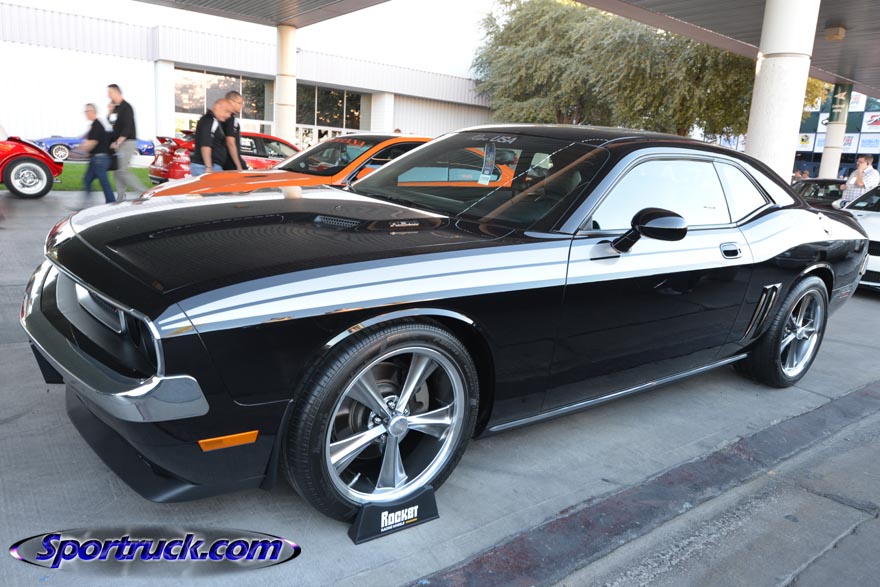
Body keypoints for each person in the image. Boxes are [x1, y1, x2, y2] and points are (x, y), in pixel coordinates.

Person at [107, 84, 147, 200]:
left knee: (122, 170)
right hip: (119, 144)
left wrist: (118, 142)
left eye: (110, 93)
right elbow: (112, 123)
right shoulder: (116, 108)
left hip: (127, 142)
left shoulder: (127, 107)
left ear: (116, 93)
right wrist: (109, 112)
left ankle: (144, 193)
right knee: (117, 171)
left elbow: (127, 128)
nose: (108, 95)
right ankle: (120, 197)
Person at [78, 103, 115, 204]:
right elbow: (92, 142)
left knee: (104, 182)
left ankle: (111, 203)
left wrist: (81, 151)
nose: (85, 113)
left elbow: (92, 142)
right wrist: (85, 150)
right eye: (85, 111)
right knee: (87, 180)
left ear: (92, 112)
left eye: (87, 111)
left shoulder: (96, 124)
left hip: (100, 160)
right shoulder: (96, 124)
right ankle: (86, 203)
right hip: (96, 159)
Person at [190, 98, 232, 176]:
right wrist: (208, 167)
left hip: (207, 166)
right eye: (227, 111)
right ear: (218, 107)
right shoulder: (210, 121)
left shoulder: (211, 121)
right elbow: (206, 144)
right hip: (206, 167)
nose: (228, 116)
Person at [222, 90, 247, 171]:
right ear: (230, 102)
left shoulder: (220, 118)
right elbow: (230, 142)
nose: (241, 106)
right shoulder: (231, 120)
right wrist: (238, 165)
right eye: (239, 103)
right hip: (230, 162)